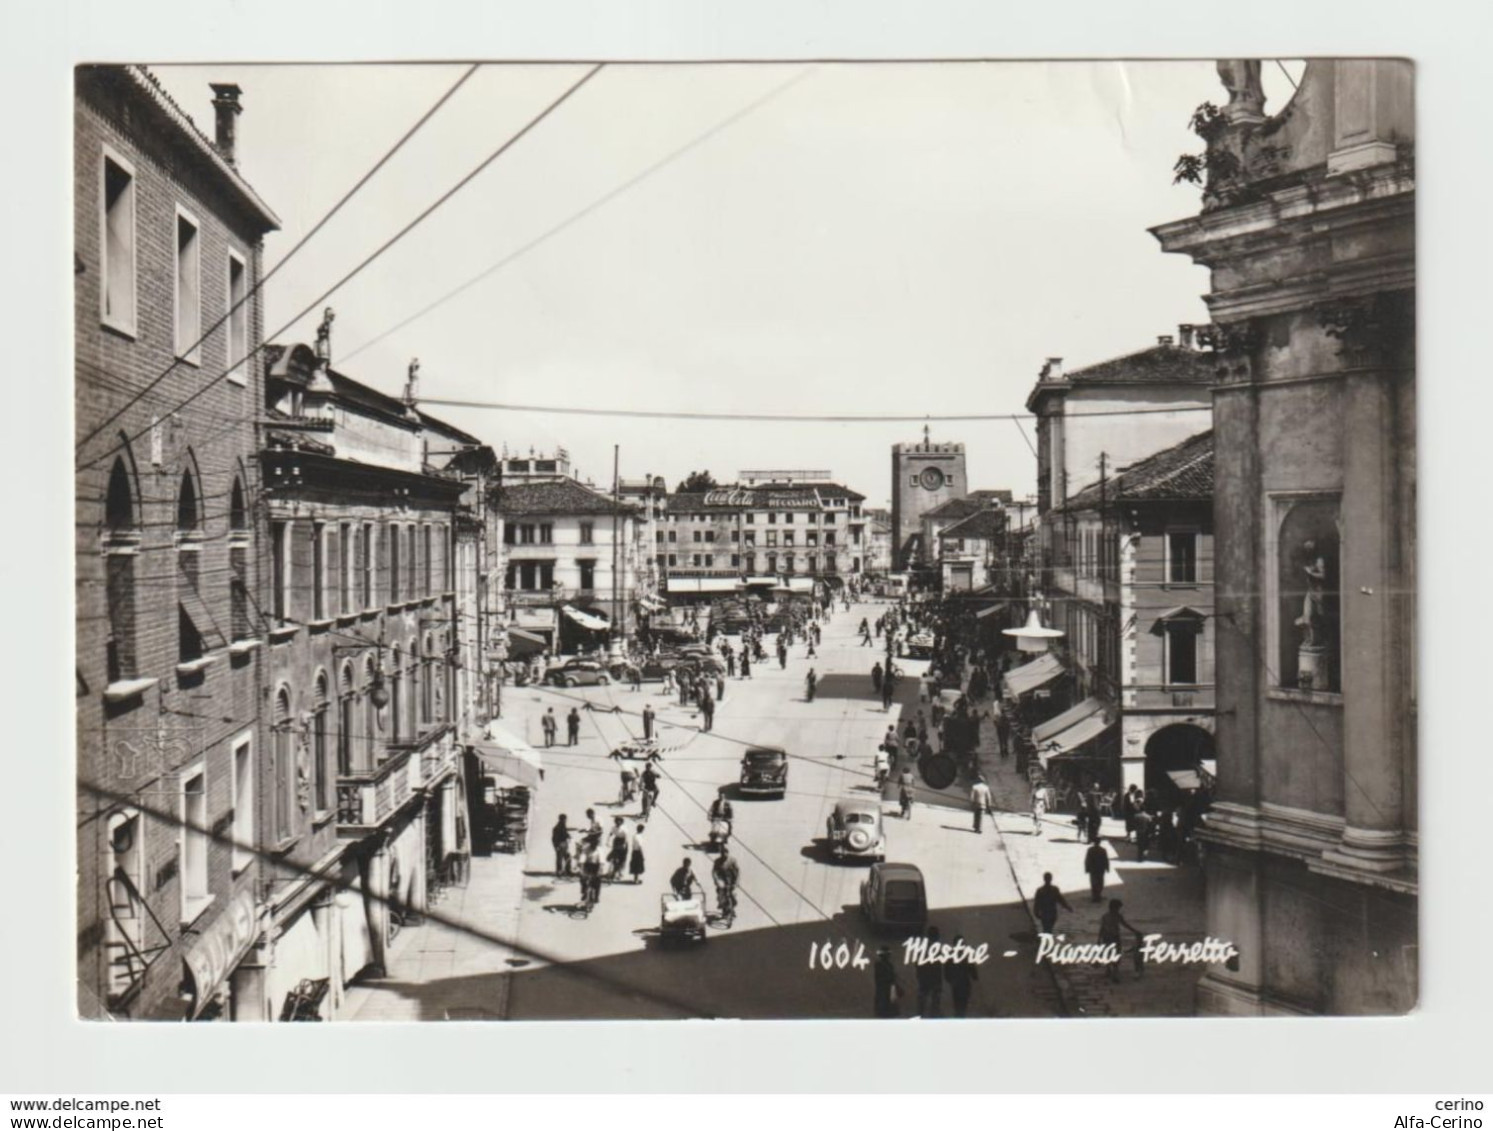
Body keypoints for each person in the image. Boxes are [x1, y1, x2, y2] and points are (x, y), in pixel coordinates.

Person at [1098, 898, 1142, 983]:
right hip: (1112, 937)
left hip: (1109, 937)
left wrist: (1099, 939)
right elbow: (1125, 925)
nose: (1118, 910)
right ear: (1114, 908)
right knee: (1113, 954)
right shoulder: (1115, 916)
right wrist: (1134, 931)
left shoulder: (1106, 916)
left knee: (1111, 953)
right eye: (1118, 908)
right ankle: (1112, 971)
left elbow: (1102, 928)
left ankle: (1111, 970)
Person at [943, 933, 979, 1018]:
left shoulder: (950, 954)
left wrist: (949, 979)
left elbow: (946, 969)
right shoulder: (966, 954)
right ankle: (961, 1015)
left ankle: (958, 1015)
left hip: (955, 983)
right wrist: (975, 976)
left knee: (957, 1002)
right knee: (963, 1003)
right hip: (964, 983)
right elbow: (971, 967)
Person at [915, 924, 945, 1017]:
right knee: (935, 999)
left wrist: (919, 974)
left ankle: (921, 1014)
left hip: (924, 977)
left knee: (922, 998)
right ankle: (933, 1014)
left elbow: (917, 963)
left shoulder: (922, 948)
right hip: (935, 977)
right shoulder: (938, 949)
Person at [1031, 871, 1073, 937]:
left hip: (1045, 913)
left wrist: (1036, 912)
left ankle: (1046, 940)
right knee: (1048, 928)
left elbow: (1037, 903)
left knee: (1046, 928)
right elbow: (1061, 900)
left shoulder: (1040, 890)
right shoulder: (1054, 889)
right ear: (1051, 879)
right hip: (1051, 912)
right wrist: (1068, 907)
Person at [873, 946, 903, 1018]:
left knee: (886, 1005)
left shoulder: (882, 965)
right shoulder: (883, 965)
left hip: (884, 989)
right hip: (885, 989)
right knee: (886, 1005)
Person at [712, 848, 740, 916]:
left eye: (725, 853)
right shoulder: (717, 861)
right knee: (721, 895)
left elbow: (737, 871)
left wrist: (737, 882)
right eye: (722, 853)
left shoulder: (733, 860)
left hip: (731, 880)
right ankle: (724, 909)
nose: (724, 855)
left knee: (733, 895)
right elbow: (714, 872)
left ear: (728, 853)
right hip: (721, 880)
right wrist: (716, 880)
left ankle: (732, 909)